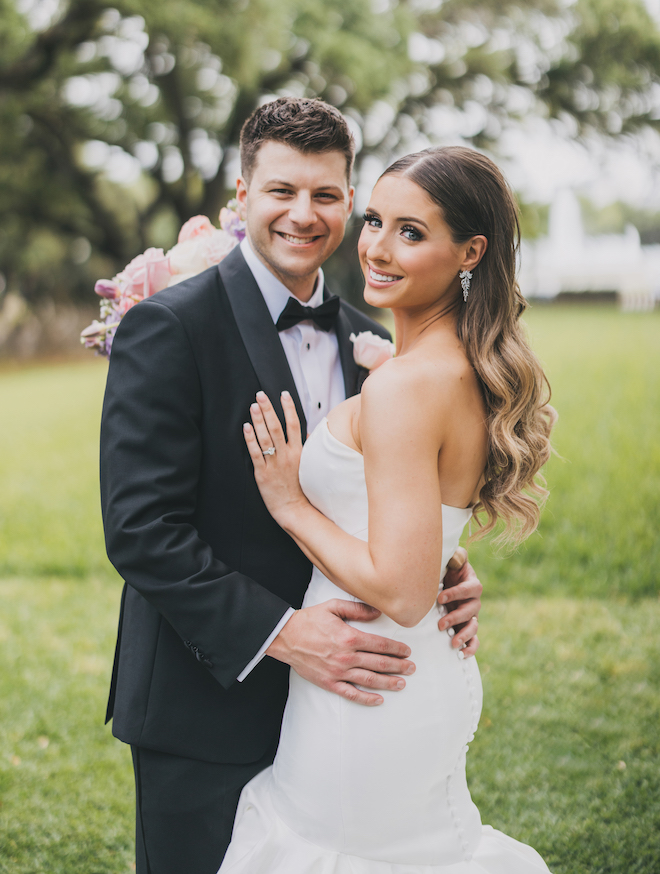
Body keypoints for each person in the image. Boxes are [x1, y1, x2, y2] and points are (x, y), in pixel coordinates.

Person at [100, 98, 483, 874]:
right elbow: (141, 529)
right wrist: (283, 633)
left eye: (327, 195)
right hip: (206, 705)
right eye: (281, 191)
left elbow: (385, 503)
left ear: (350, 203)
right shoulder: (170, 327)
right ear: (241, 199)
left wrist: (442, 566)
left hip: (344, 715)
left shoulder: (372, 345)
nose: (303, 214)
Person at [218, 145, 556, 873]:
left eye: (411, 231)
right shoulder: (448, 365)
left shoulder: (405, 387)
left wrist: (290, 504)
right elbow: (418, 537)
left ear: (470, 252)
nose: (376, 246)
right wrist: (447, 557)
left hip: (371, 683)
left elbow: (402, 593)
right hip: (407, 672)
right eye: (375, 220)